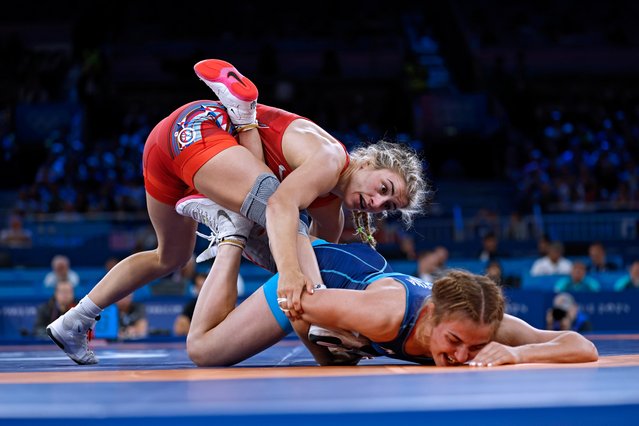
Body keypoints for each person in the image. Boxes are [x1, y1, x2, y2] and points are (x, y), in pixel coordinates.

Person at [47, 58, 430, 365]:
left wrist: (302, 290)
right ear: (366, 163)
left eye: (389, 206)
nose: (378, 204)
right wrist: (303, 295)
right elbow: (282, 215)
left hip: (182, 159)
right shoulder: (330, 158)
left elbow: (305, 261)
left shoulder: (332, 214)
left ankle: (75, 319)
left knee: (171, 256)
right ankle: (242, 113)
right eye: (384, 188)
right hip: (200, 128)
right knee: (284, 215)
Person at [183, 202, 598, 368]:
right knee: (204, 350)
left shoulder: (477, 324)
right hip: (318, 275)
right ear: (432, 313)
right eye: (455, 341)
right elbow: (300, 302)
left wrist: (516, 353)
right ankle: (232, 233)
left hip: (355, 282)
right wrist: (323, 352)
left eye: (473, 346)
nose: (461, 356)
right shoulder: (385, 316)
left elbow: (581, 346)